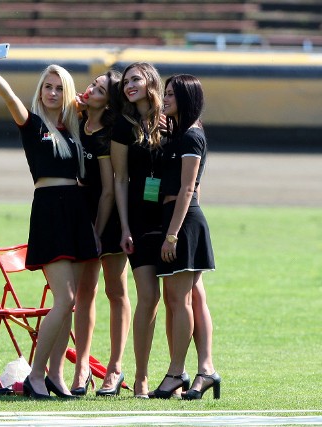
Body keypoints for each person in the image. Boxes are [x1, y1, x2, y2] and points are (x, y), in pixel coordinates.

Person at [0, 43, 98, 399]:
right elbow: (10, 98)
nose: (52, 92)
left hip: (76, 210)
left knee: (73, 301)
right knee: (64, 299)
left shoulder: (74, 127)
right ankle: (36, 373)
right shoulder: (31, 124)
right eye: (48, 86)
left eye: (60, 87)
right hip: (49, 209)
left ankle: (56, 375)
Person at [110, 61, 185, 398]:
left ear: (151, 81)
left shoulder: (173, 123)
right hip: (139, 222)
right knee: (149, 297)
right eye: (126, 81)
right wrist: (124, 225)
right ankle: (140, 378)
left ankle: (176, 375)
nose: (129, 86)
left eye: (135, 79)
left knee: (175, 299)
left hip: (169, 218)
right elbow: (120, 179)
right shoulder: (123, 127)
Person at [150, 74, 219, 399]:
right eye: (165, 94)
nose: (165, 99)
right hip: (177, 219)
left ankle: (176, 372)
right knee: (188, 298)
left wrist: (174, 235)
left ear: (187, 98)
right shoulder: (179, 134)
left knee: (178, 300)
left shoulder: (192, 135)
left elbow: (189, 188)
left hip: (182, 221)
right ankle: (205, 370)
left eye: (171, 95)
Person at [71, 70, 131, 397]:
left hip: (104, 220)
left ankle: (115, 368)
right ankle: (82, 366)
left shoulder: (109, 134)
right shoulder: (76, 120)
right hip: (79, 217)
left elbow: (109, 190)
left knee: (115, 291)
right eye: (93, 83)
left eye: (100, 88)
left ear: (109, 100)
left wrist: (97, 230)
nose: (91, 88)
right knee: (84, 294)